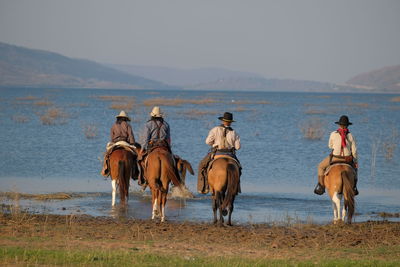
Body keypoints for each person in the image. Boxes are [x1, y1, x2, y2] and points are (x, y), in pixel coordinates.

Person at [197, 112, 241, 194]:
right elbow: (238, 147)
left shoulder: (215, 129)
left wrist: (214, 144)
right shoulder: (234, 133)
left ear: (222, 121)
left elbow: (207, 142)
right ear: (231, 122)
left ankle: (204, 187)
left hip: (217, 153)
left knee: (202, 165)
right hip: (230, 154)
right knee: (239, 168)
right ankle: (237, 188)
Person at [314, 115, 359, 195]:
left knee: (320, 166)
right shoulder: (351, 135)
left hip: (335, 158)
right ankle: (354, 187)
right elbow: (354, 151)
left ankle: (321, 186)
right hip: (347, 159)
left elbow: (330, 146)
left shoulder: (333, 134)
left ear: (339, 125)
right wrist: (355, 161)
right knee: (355, 170)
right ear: (347, 125)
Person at [137, 106, 172, 186]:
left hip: (152, 146)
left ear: (152, 115)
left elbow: (146, 139)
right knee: (173, 162)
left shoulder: (148, 124)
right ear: (161, 115)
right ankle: (175, 181)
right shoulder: (166, 124)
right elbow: (168, 139)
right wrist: (169, 148)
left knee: (140, 161)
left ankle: (142, 179)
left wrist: (142, 149)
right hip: (164, 146)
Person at [101, 110, 137, 177]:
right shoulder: (128, 125)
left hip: (116, 143)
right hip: (125, 143)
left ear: (118, 118)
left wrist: (113, 142)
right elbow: (131, 136)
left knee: (107, 155)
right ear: (125, 118)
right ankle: (135, 172)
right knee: (135, 155)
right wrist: (132, 143)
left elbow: (112, 138)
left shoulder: (114, 125)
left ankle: (106, 169)